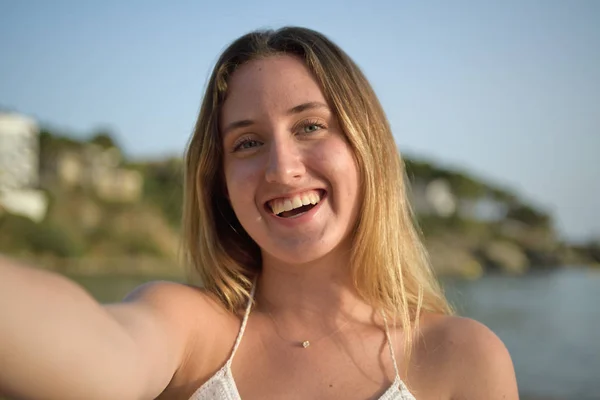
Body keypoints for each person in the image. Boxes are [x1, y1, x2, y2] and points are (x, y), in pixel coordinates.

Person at [0, 27, 519, 400]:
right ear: (220, 182)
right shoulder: (193, 333)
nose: (282, 168)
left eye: (310, 126)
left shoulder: (463, 358)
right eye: (246, 142)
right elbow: (99, 356)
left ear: (368, 149)